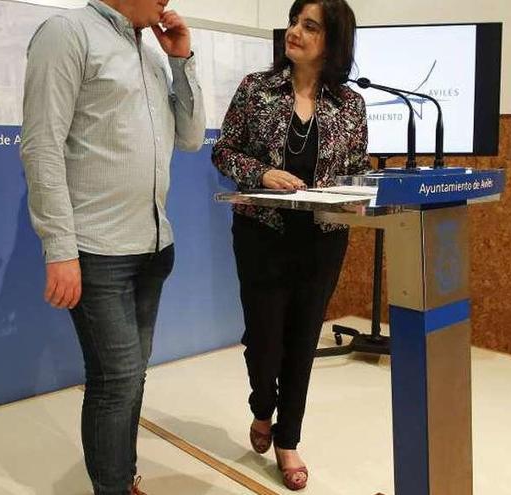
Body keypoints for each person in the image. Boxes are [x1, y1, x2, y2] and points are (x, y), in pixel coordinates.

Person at [19, 0, 205, 493]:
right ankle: (113, 487)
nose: (167, 0)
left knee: (132, 378)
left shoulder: (150, 49)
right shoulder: (66, 32)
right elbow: (41, 145)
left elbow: (190, 137)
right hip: (97, 249)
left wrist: (183, 61)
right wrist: (60, 249)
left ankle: (123, 479)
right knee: (116, 378)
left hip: (153, 245)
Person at [212, 0, 368, 490]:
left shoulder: (350, 104)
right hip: (262, 234)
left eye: (309, 25)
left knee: (302, 342)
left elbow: (357, 169)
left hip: (322, 239)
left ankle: (288, 439)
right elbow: (223, 149)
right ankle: (262, 406)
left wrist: (355, 195)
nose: (294, 31)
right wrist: (260, 172)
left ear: (332, 41)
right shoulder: (256, 89)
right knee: (264, 340)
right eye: (293, 21)